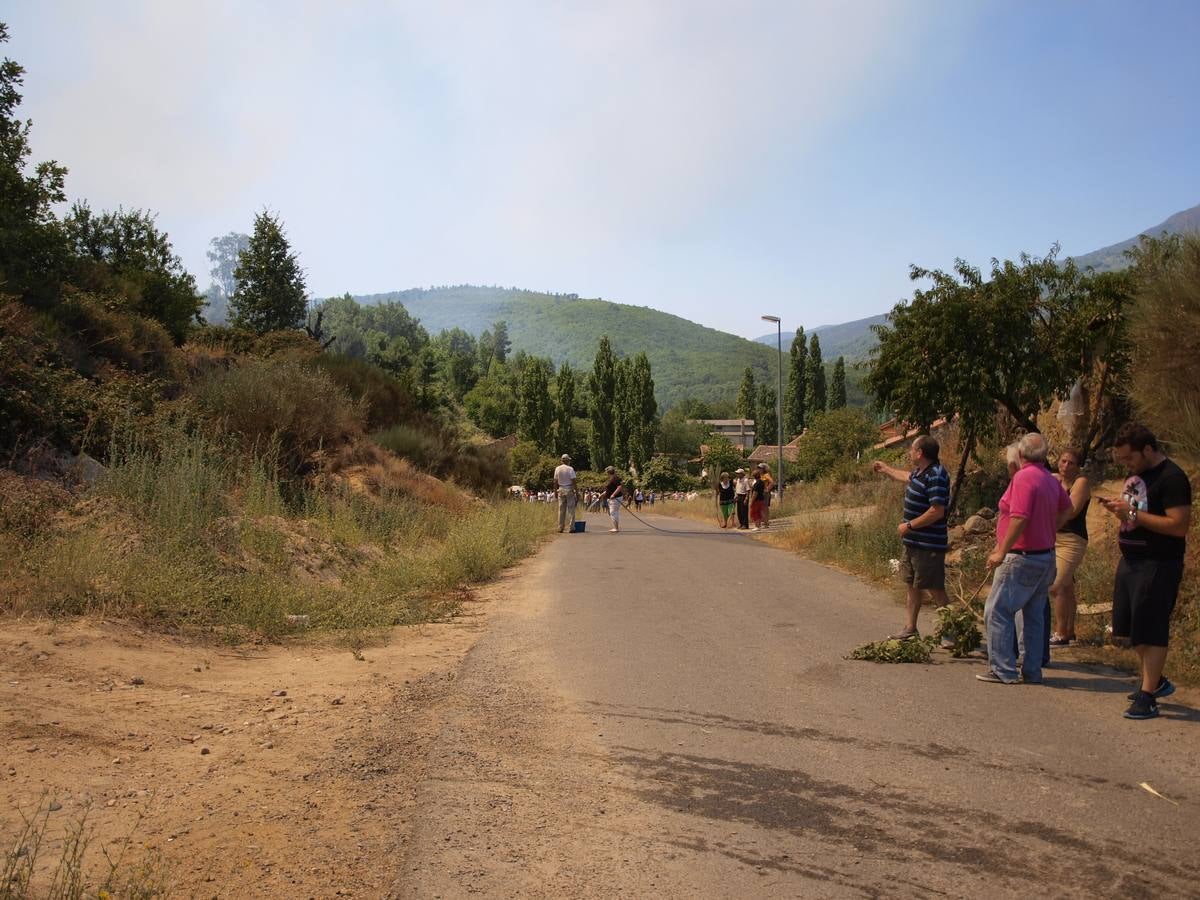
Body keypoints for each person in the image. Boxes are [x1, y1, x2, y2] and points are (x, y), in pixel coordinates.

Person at [1100, 423, 1192, 720]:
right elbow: (1134, 511)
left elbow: (1178, 526)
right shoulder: (1137, 475)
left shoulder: (1172, 478)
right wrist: (1120, 510)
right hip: (1131, 561)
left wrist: (1134, 515)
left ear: (1148, 450)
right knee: (1131, 628)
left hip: (1158, 563)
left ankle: (1148, 695)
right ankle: (1157, 680)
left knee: (1151, 629)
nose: (1127, 465)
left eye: (1130, 459)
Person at [978, 433, 1073, 685]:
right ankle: (1032, 670)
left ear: (1021, 455)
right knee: (1033, 614)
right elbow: (1068, 509)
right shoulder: (1051, 480)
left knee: (997, 611)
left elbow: (1019, 517)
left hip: (1022, 556)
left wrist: (1001, 551)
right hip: (1045, 556)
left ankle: (1003, 669)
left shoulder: (1023, 478)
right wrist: (1049, 528)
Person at [871, 435, 952, 642]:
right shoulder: (920, 472)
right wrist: (886, 469)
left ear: (920, 453)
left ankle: (952, 632)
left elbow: (937, 511)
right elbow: (906, 476)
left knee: (935, 588)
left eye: (912, 449)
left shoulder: (936, 475)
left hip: (928, 544)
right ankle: (910, 628)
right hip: (913, 543)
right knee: (912, 584)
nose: (909, 452)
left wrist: (909, 525)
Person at [1050, 447, 1091, 646]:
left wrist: (1054, 491)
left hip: (1072, 539)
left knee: (1055, 585)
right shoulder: (1054, 479)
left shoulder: (1080, 483)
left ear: (1078, 466)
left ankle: (1060, 633)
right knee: (1066, 587)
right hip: (1053, 536)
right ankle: (1070, 631)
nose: (1066, 466)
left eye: (1071, 463)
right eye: (1063, 461)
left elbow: (1071, 511)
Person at [553, 454, 577, 533]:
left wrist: (555, 492)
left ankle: (560, 527)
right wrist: (576, 491)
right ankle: (571, 527)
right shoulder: (570, 469)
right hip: (569, 489)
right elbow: (573, 481)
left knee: (561, 510)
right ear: (567, 461)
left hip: (561, 489)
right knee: (571, 509)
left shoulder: (557, 469)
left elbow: (555, 481)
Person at [599, 465, 624, 533]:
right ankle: (616, 527)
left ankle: (616, 528)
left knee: (613, 512)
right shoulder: (612, 478)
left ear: (609, 472)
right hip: (613, 498)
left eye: (606, 472)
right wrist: (602, 494)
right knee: (613, 512)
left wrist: (613, 495)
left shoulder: (614, 478)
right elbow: (609, 489)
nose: (606, 473)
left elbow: (619, 487)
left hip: (616, 498)